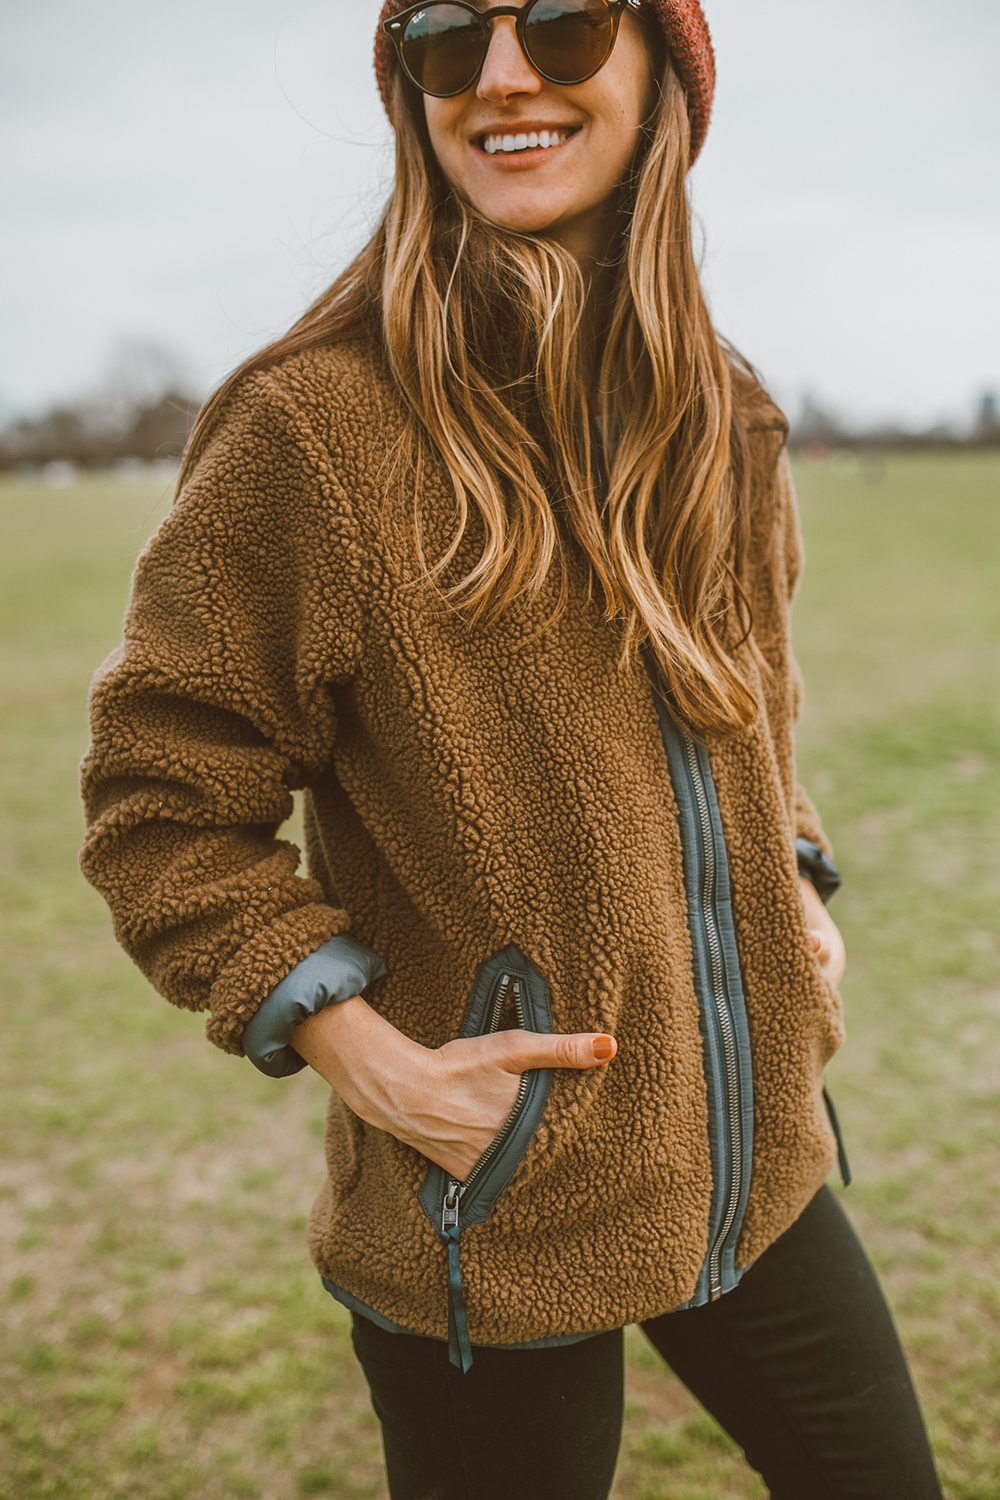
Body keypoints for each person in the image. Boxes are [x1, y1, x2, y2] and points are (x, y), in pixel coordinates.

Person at [81, 2, 944, 1495]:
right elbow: (159, 807)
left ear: (660, 72)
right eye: (441, 37)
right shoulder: (313, 431)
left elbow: (755, 709)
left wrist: (795, 875)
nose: (499, 76)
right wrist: (375, 1062)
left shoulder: (725, 413)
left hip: (756, 1166)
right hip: (494, 1198)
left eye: (559, 21)